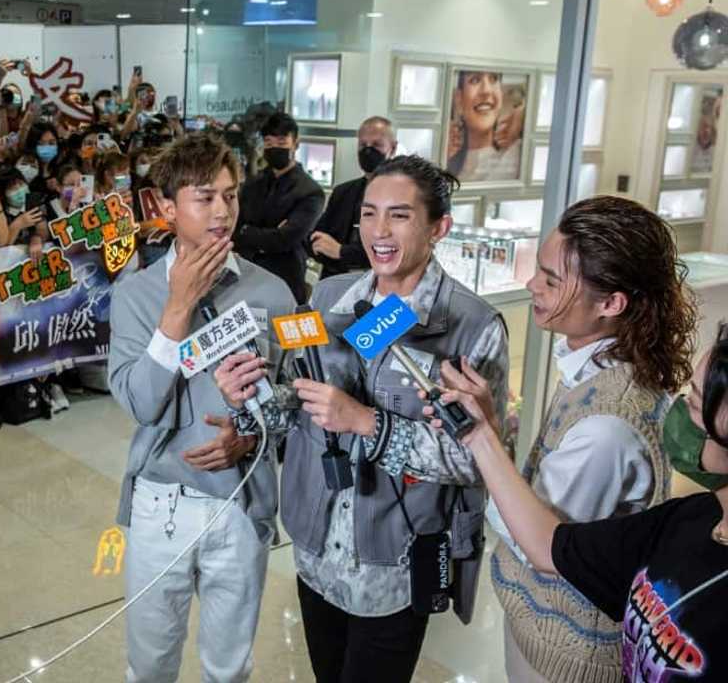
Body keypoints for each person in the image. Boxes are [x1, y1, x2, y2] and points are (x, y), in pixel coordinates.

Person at [434, 196, 698, 683]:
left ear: (612, 303)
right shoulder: (591, 367)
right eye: (539, 270)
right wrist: (491, 429)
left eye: (552, 280)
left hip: (566, 648)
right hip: (539, 623)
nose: (532, 285)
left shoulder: (607, 428)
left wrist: (478, 440)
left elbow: (541, 541)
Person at [268, 154, 510, 683]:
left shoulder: (471, 327)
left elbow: (477, 462)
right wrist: (257, 396)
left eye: (399, 216)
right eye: (369, 213)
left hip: (393, 566)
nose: (379, 231)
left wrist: (365, 423)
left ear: (437, 227)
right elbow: (298, 402)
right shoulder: (333, 296)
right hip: (316, 552)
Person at [430, 321, 727, 683]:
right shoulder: (688, 518)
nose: (680, 413)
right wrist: (480, 434)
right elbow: (549, 545)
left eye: (695, 405)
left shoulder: (609, 426)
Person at [108, 133, 297, 683]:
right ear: (167, 208)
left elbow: (297, 400)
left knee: (229, 665)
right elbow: (142, 404)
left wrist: (250, 432)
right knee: (150, 662)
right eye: (204, 197)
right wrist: (178, 307)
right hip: (160, 504)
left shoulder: (274, 293)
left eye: (231, 196)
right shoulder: (137, 296)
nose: (222, 211)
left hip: (241, 501)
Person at [233, 112, 324, 303]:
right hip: (247, 276)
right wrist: (267, 234)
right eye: (269, 142)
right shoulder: (252, 184)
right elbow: (234, 228)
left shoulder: (310, 191)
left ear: (295, 143)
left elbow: (285, 239)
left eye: (282, 142)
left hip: (286, 279)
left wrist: (248, 231)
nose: (275, 147)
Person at [309, 117, 397, 279]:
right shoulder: (343, 192)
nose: (368, 151)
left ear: (393, 148)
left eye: (376, 145)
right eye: (363, 145)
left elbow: (393, 250)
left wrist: (340, 252)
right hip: (334, 285)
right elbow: (314, 242)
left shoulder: (401, 197)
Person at [446, 71, 525, 182]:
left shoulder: (517, 153)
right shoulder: (445, 163)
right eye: (475, 80)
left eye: (493, 79)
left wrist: (521, 115)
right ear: (459, 100)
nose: (486, 91)